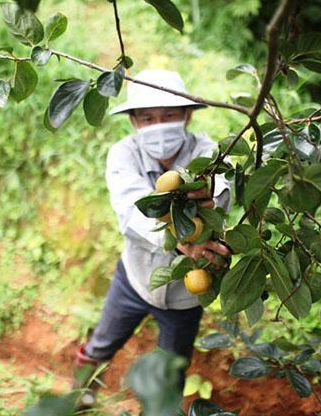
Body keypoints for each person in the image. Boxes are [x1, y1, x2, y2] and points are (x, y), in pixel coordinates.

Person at [73, 69, 232, 408]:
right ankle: (79, 397)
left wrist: (211, 194)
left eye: (169, 116)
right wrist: (182, 238)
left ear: (186, 116)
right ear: (134, 122)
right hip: (135, 278)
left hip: (184, 295)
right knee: (101, 344)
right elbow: (130, 212)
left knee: (172, 370)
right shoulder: (123, 154)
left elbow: (225, 187)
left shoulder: (209, 154)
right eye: (148, 118)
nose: (158, 125)